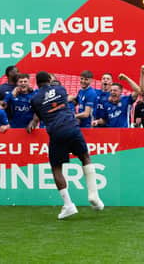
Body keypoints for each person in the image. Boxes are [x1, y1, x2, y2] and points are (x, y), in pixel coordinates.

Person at [27, 71, 104, 219]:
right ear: (50, 80)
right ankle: (93, 195)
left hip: (56, 132)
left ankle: (68, 205)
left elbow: (39, 115)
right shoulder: (60, 90)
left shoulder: (35, 99)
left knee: (56, 168)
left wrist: (33, 122)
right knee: (85, 157)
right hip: (72, 127)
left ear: (36, 83)